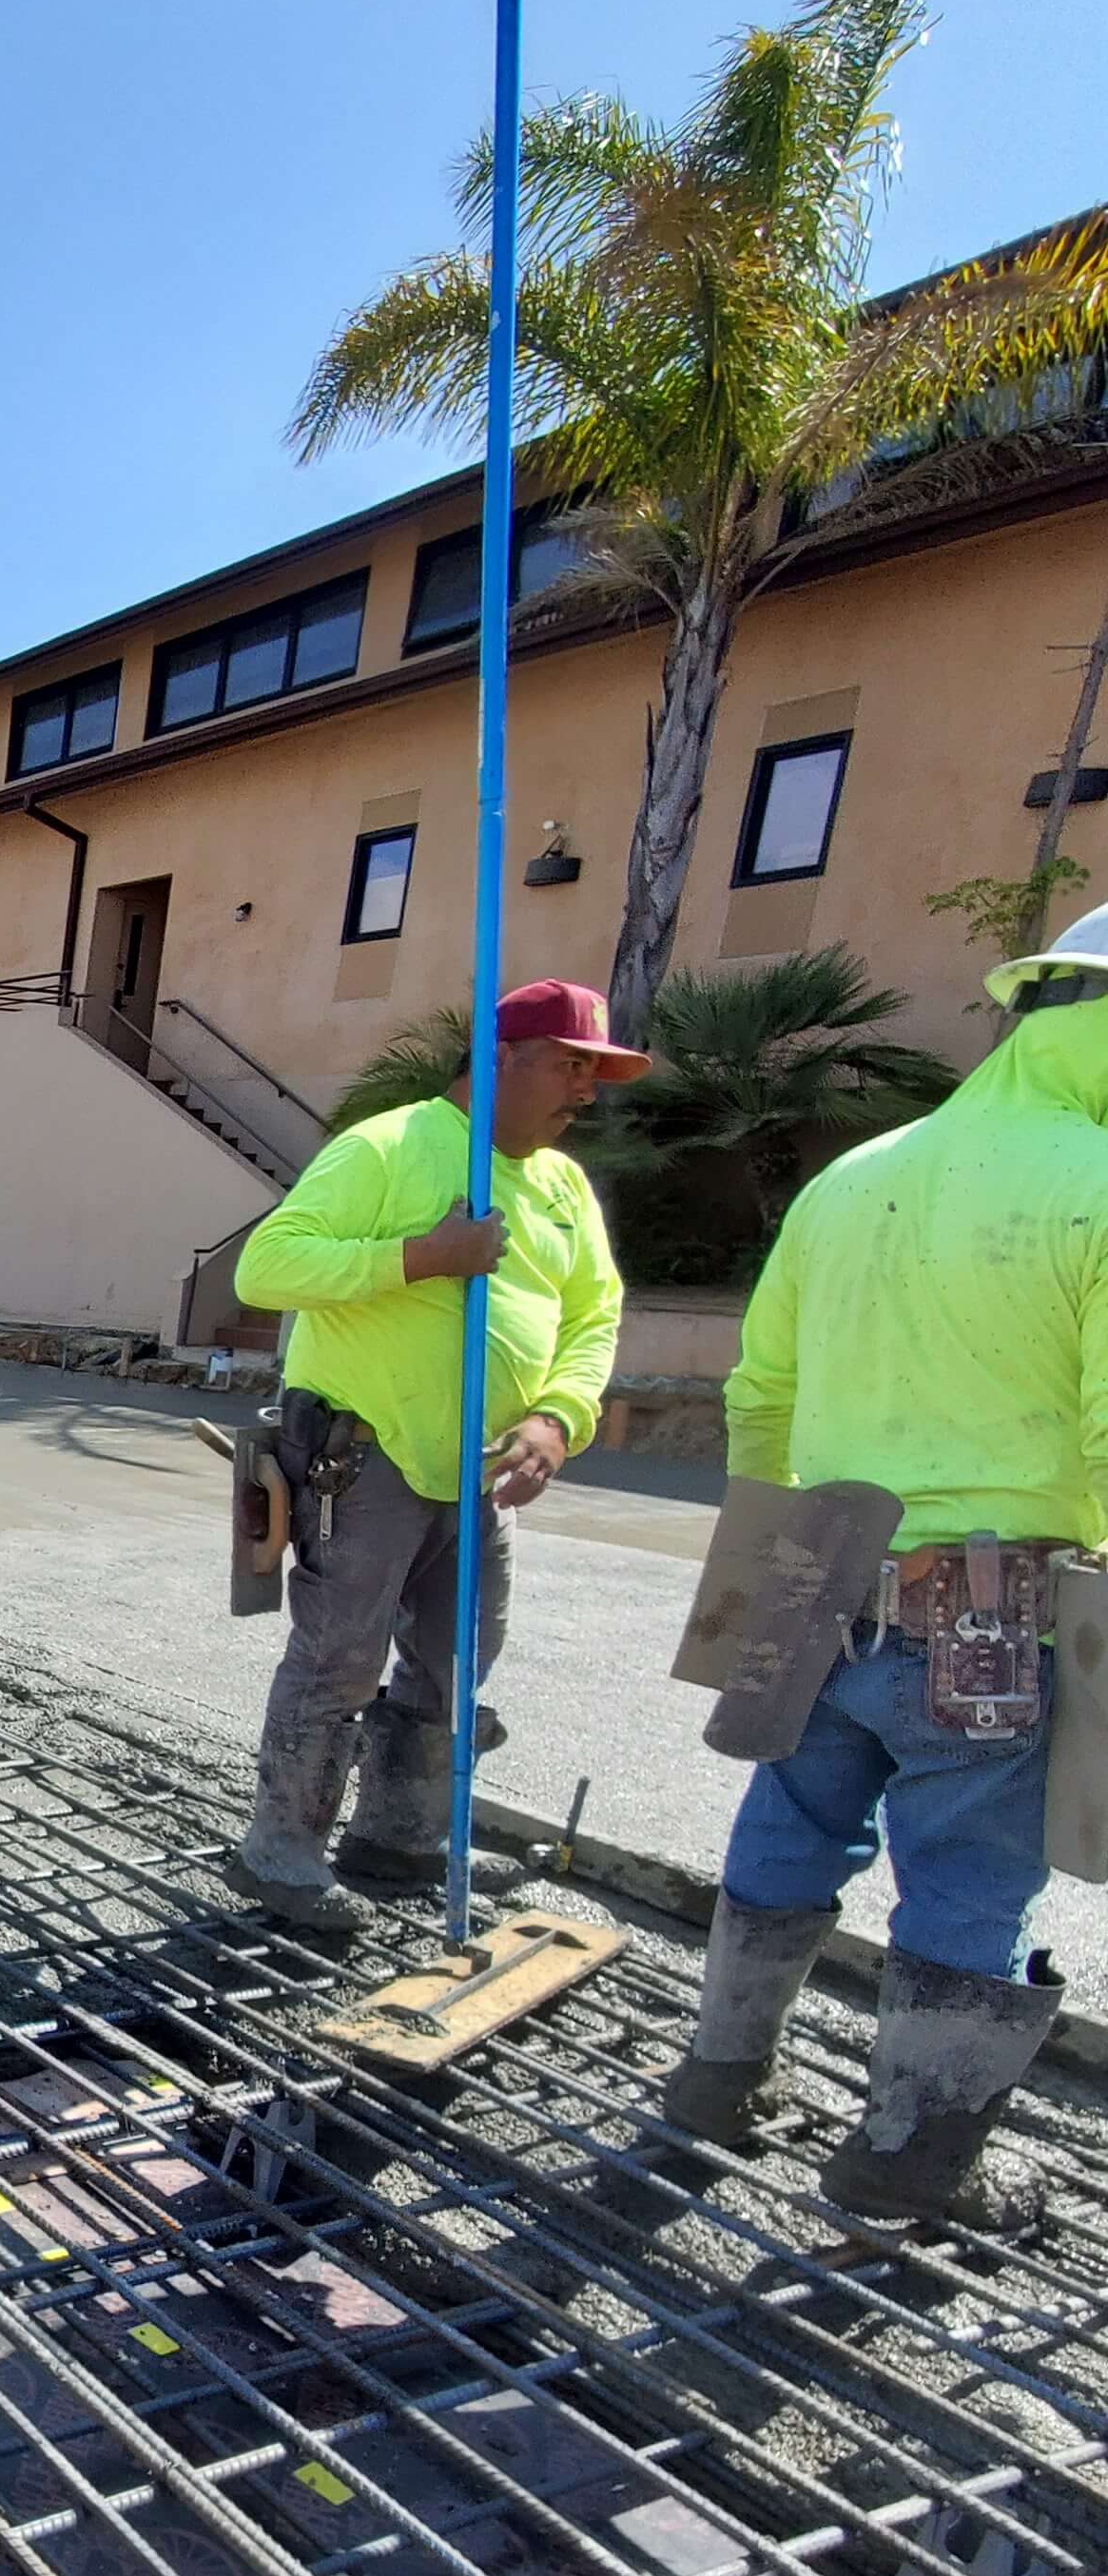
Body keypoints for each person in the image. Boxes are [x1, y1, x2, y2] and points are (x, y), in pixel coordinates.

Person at [656, 906, 1108, 2233]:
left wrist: (765, 1553)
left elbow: (762, 1388)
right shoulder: (1096, 1180)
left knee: (792, 1829)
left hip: (818, 1583)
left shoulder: (854, 1178)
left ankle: (717, 2081)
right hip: (984, 1618)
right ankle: (906, 2165)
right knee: (970, 1882)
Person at [225, 976, 639, 1934]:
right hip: (361, 1452)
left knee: (459, 1653)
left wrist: (558, 1418)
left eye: (595, 1073)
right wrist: (418, 1257)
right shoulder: (392, 1145)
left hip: (472, 1465)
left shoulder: (564, 1186)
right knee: (340, 1653)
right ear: (499, 1062)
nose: (585, 1091)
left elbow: (593, 1314)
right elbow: (268, 1266)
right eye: (569, 1066)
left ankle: (398, 1839)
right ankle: (279, 1853)